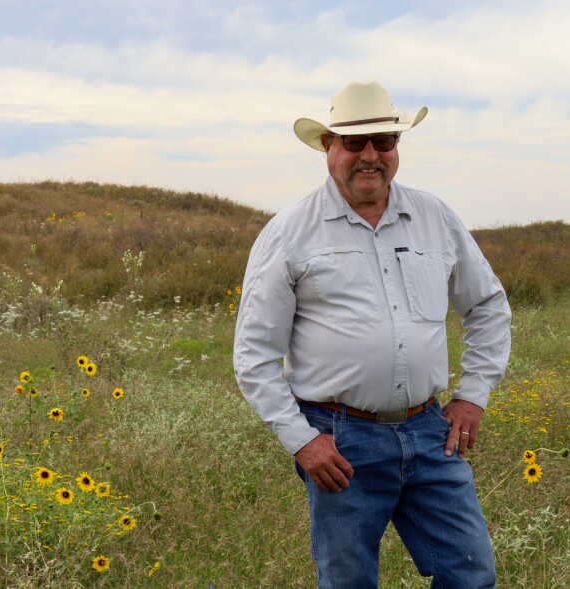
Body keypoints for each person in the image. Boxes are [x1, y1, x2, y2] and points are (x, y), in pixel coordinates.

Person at [233, 80, 512, 588]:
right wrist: (302, 441)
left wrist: (472, 396)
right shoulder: (290, 232)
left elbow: (488, 305)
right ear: (327, 147)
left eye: (383, 141)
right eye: (353, 142)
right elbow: (253, 356)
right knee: (348, 582)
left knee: (471, 575)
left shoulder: (435, 217)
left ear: (396, 148)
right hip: (341, 442)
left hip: (431, 434)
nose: (369, 156)